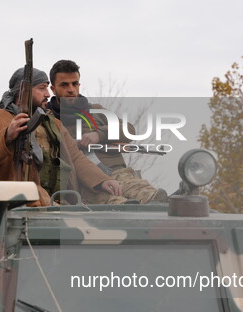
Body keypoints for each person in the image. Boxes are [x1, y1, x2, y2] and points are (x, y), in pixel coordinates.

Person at [0, 67, 124, 206]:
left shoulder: (54, 124)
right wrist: (6, 136)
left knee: (116, 200)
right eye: (42, 88)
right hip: (18, 204)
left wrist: (102, 180)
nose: (47, 94)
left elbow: (75, 157)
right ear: (23, 91)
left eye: (47, 88)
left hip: (58, 201)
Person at [47, 59, 167, 204]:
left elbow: (129, 130)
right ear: (53, 89)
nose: (71, 89)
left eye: (74, 83)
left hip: (117, 173)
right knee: (116, 205)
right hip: (82, 181)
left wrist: (99, 135)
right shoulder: (49, 119)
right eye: (64, 85)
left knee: (149, 196)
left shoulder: (96, 111)